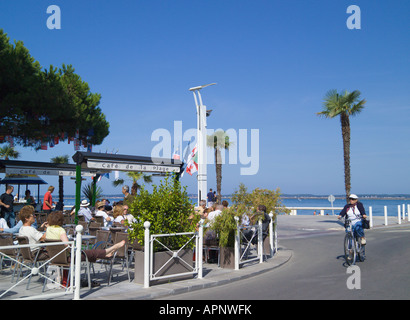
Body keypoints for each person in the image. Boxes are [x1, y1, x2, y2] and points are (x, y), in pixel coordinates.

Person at [45, 211, 126, 263]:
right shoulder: (60, 230)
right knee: (91, 252)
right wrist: (76, 249)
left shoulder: (48, 229)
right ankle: (111, 248)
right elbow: (67, 245)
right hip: (67, 259)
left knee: (89, 254)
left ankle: (105, 254)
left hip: (53, 258)